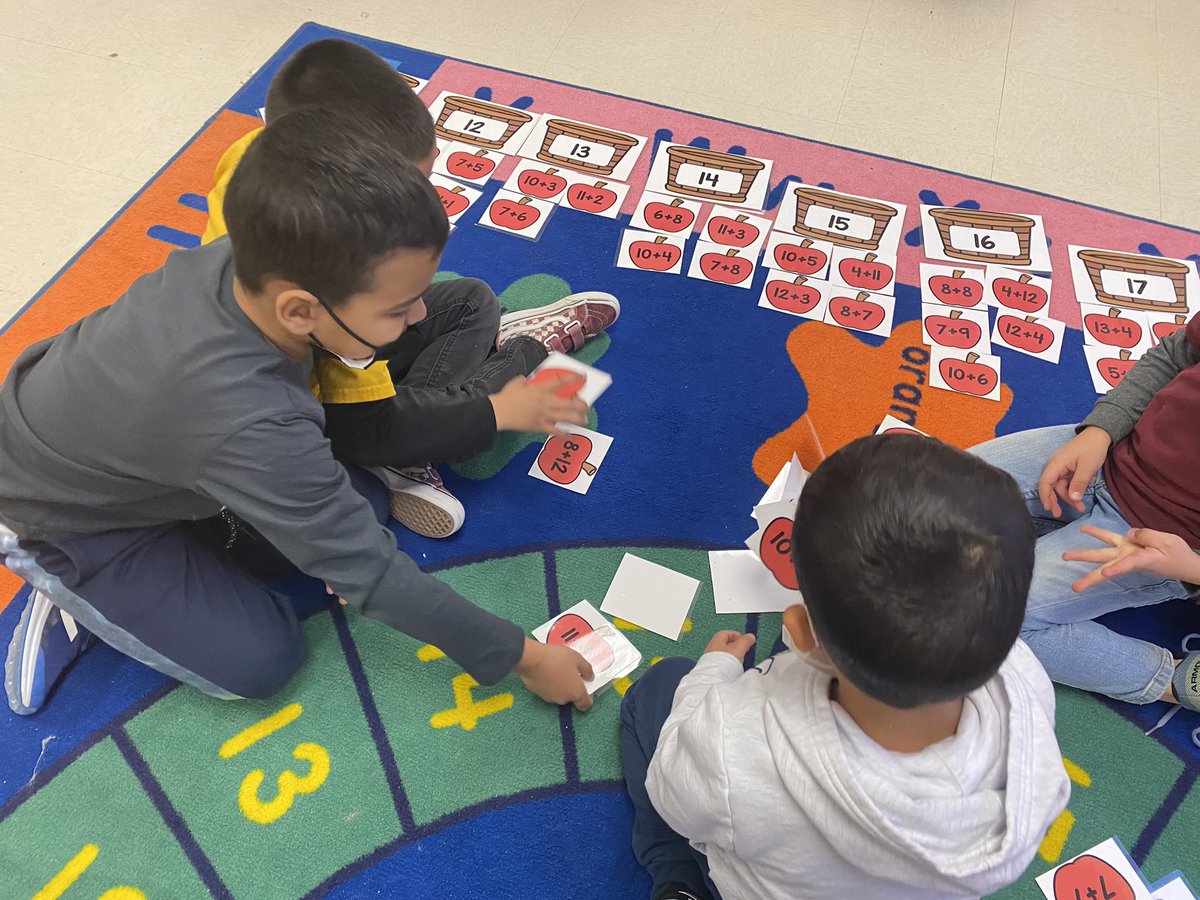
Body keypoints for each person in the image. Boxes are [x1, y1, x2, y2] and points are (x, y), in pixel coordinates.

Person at [1, 108, 593, 717]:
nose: (417, 316)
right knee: (263, 659)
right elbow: (372, 577)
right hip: (61, 512)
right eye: (397, 309)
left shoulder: (252, 254)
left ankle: (175, 552)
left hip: (136, 442)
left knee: (363, 503)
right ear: (299, 311)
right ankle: (66, 582)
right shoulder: (250, 417)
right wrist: (526, 657)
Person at [202, 37, 620, 538]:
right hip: (313, 392)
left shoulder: (270, 176)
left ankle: (425, 424)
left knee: (470, 300)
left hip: (332, 352)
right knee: (398, 462)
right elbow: (351, 391)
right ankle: (525, 349)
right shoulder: (301, 289)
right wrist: (492, 410)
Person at [620, 435, 1069, 900]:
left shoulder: (732, 744)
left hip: (755, 879)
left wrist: (713, 670)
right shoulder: (1026, 692)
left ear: (800, 633)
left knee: (662, 684)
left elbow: (671, 792)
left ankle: (676, 879)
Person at [972, 312, 1200, 709]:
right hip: (1110, 456)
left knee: (984, 615)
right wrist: (1101, 430)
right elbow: (1177, 353)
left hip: (1160, 543)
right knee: (916, 494)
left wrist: (1189, 568)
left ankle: (1171, 680)